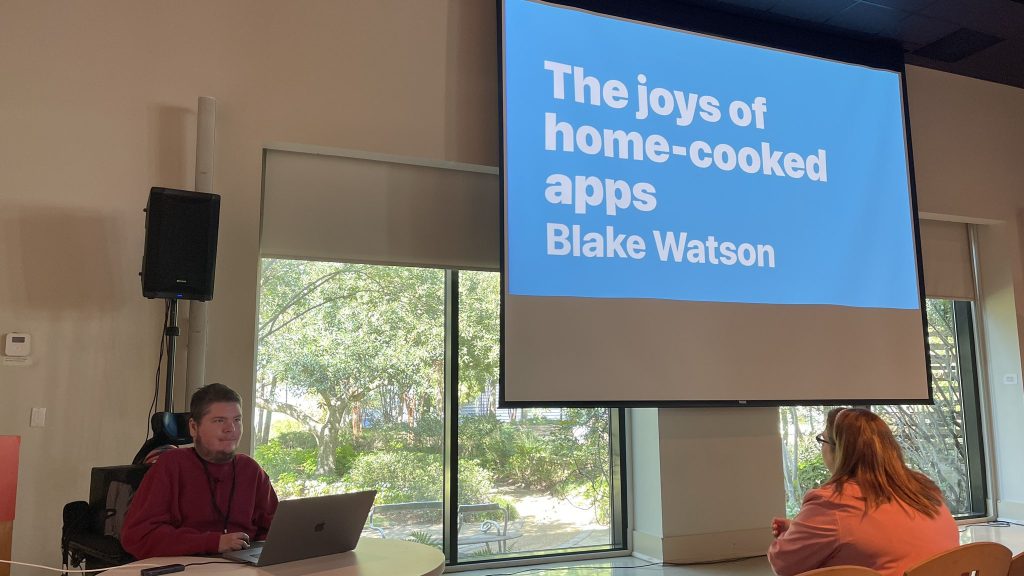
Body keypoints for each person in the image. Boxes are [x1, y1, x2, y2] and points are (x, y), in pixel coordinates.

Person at [768, 407, 958, 576]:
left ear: (838, 450)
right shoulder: (924, 488)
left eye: (822, 440)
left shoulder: (831, 503)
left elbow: (783, 563)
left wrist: (793, 534)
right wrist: (802, 529)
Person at [121, 383, 279, 559]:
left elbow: (276, 530)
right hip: (188, 565)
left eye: (237, 420)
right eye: (219, 420)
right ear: (193, 428)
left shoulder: (251, 470)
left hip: (243, 566)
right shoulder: (171, 465)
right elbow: (138, 536)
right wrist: (215, 542)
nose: (231, 429)